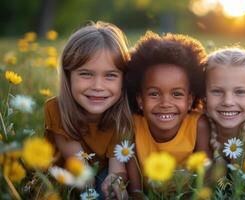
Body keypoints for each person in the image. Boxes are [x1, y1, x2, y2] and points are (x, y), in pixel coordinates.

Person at [44, 21, 133, 199]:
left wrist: (115, 183)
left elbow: (117, 168)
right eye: (86, 74)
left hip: (97, 176)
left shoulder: (121, 115)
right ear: (68, 76)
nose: (98, 86)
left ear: (123, 79)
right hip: (63, 180)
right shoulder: (56, 108)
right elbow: (80, 169)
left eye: (110, 75)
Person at [125, 31, 212, 194]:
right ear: (140, 100)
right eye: (154, 94)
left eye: (177, 94)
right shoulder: (133, 126)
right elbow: (135, 190)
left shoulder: (198, 125)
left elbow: (205, 179)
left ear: (189, 100)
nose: (165, 103)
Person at [203, 47, 245, 161]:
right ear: (203, 92)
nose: (228, 102)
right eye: (217, 91)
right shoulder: (198, 127)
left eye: (240, 92)